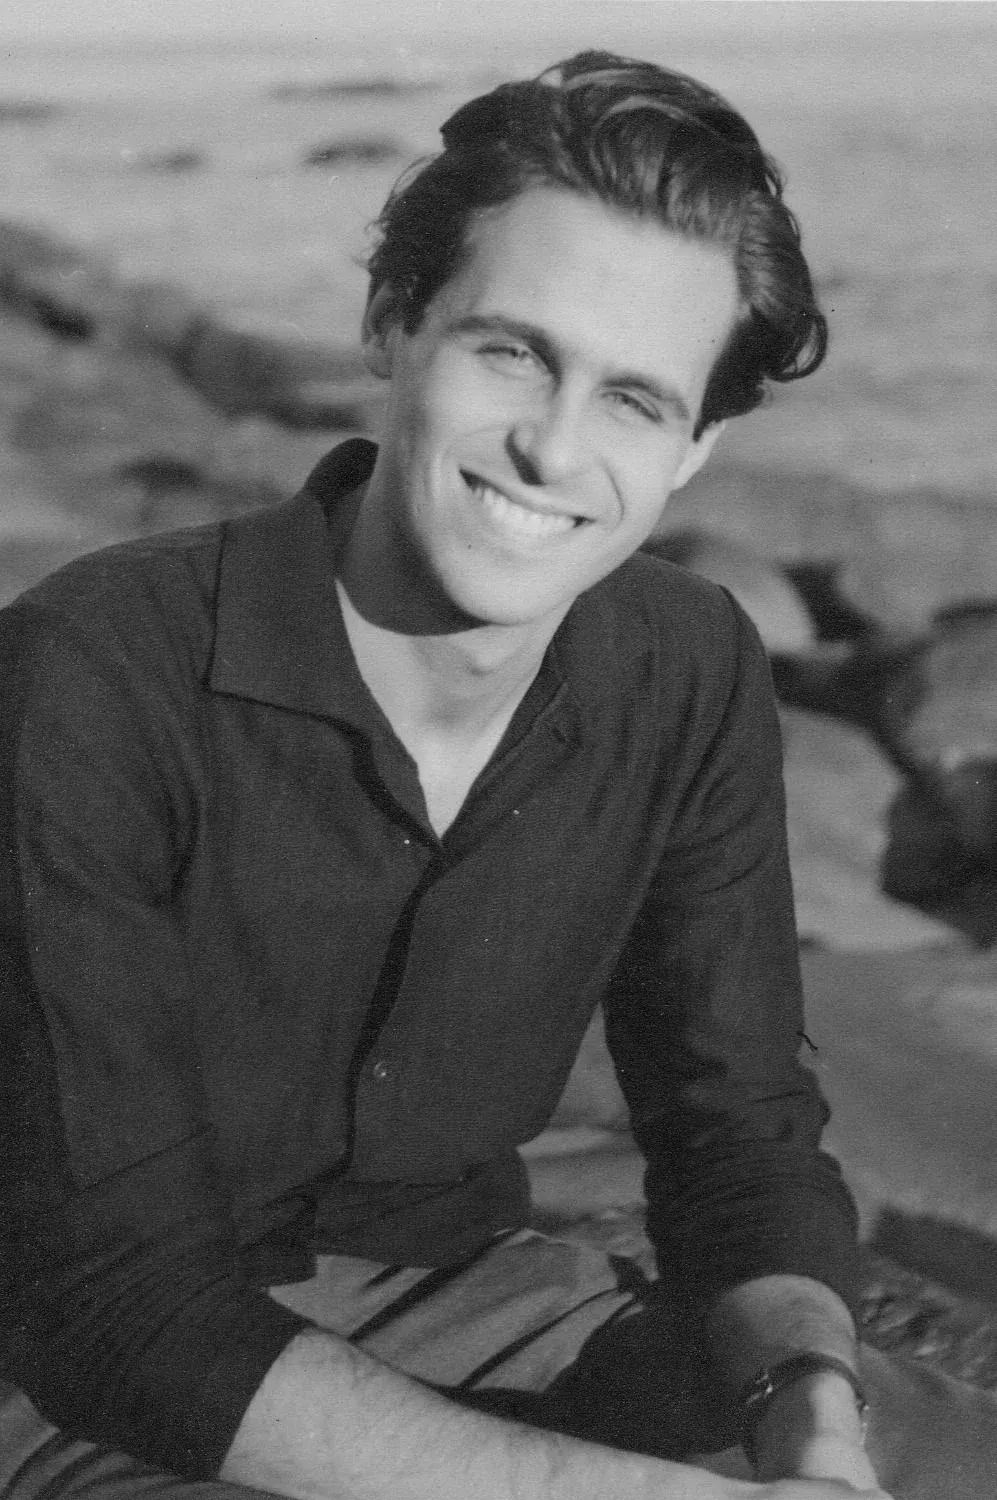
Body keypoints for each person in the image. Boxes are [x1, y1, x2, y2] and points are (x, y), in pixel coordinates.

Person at [2, 48, 996, 1500]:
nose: (551, 446)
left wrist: (812, 1416)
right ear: (393, 324)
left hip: (464, 1301)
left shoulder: (684, 663)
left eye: (634, 399)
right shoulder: (94, 669)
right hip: (63, 1372)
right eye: (514, 352)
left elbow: (739, 1134)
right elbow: (114, 1305)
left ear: (699, 446)